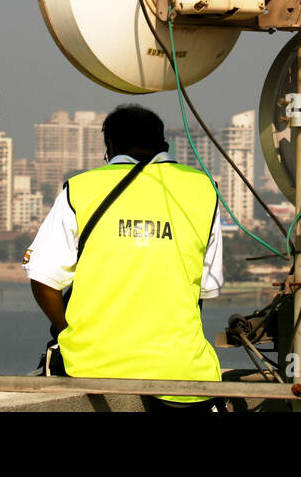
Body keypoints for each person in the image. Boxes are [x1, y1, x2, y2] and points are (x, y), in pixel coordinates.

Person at [23, 104, 225, 411]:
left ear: (111, 146)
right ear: (164, 144)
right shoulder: (204, 190)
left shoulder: (80, 188)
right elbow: (206, 288)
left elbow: (42, 278)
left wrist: (71, 333)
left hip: (94, 366)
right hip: (184, 373)